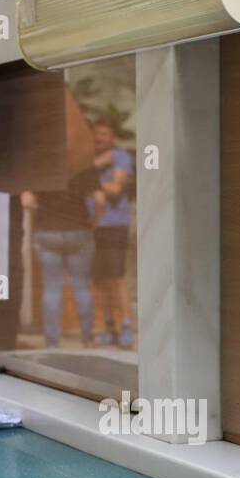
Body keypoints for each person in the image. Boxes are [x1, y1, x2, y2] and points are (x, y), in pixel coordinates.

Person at [21, 164, 105, 350]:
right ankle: (87, 338)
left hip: (47, 232)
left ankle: (52, 343)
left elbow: (26, 201)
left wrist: (42, 213)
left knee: (52, 289)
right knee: (81, 286)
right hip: (79, 230)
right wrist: (94, 221)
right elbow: (100, 200)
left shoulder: (44, 164)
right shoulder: (84, 165)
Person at [87, 117, 135, 349]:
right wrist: (92, 169)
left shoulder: (121, 158)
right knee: (99, 280)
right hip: (92, 227)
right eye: (96, 134)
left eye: (103, 134)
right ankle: (108, 326)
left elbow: (115, 189)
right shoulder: (90, 161)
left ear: (112, 137)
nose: (99, 138)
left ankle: (126, 325)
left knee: (116, 279)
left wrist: (89, 177)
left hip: (115, 225)